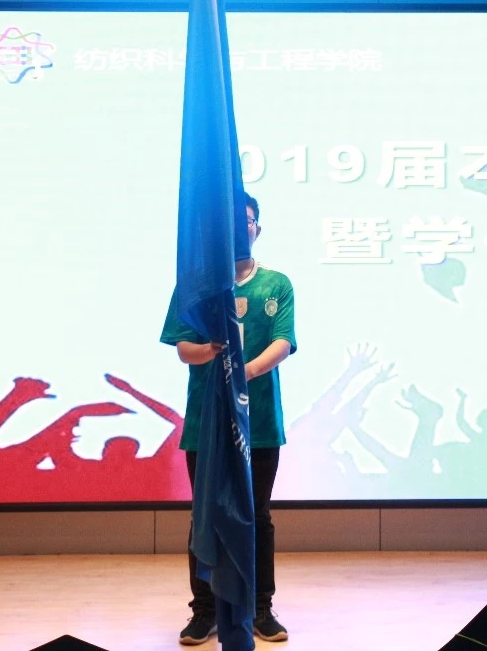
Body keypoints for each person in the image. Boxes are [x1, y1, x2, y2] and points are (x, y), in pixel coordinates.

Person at [160, 194, 297, 645]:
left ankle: (260, 609)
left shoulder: (276, 284)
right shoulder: (195, 285)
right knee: (205, 516)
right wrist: (212, 353)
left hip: (259, 423)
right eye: (232, 222)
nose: (241, 228)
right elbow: (183, 349)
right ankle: (205, 612)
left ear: (258, 228)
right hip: (208, 421)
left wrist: (243, 371)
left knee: (257, 515)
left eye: (248, 220)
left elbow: (283, 343)